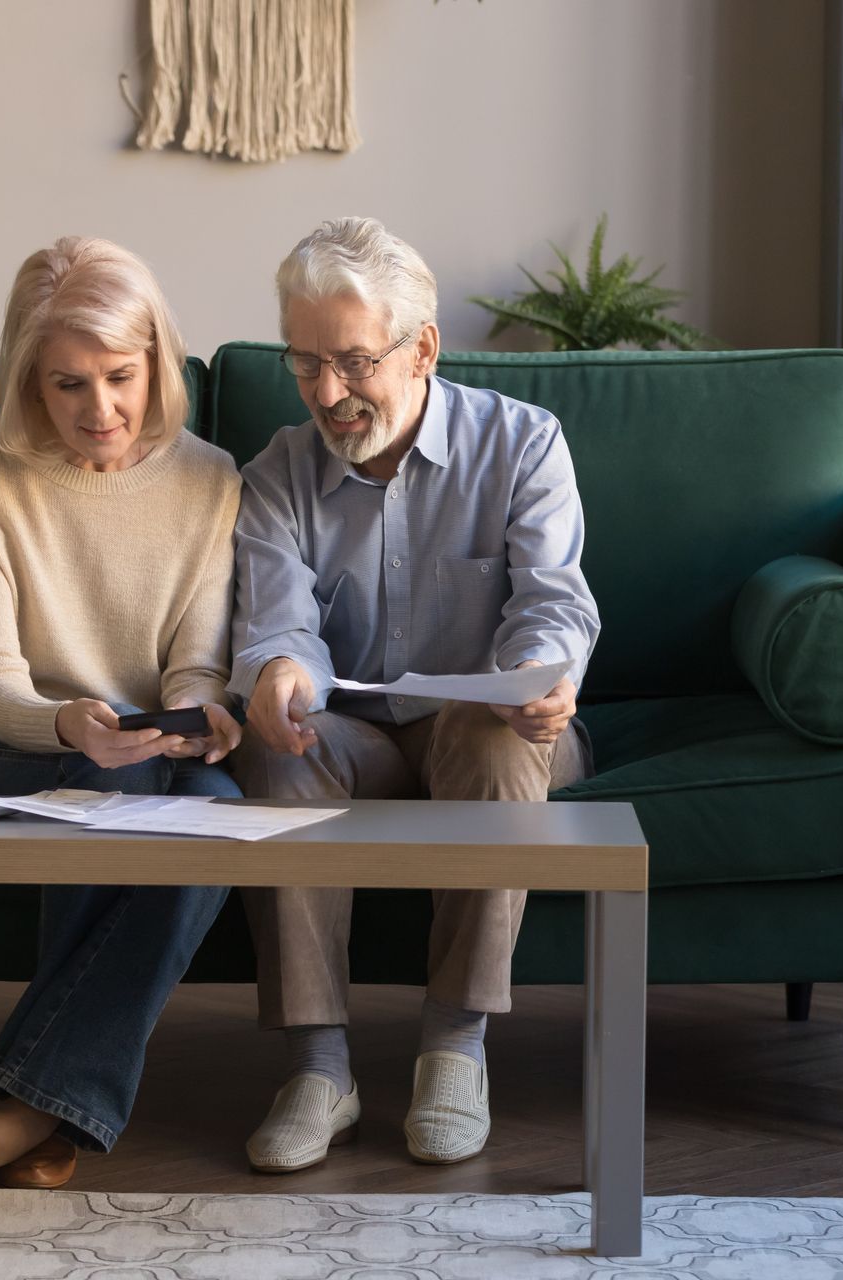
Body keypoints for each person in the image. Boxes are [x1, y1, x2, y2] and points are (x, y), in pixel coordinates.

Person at [228, 216, 600, 1173]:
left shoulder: (523, 444)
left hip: (491, 732)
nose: (327, 393)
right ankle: (320, 1070)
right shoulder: (276, 473)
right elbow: (280, 621)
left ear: (422, 348)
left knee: (493, 731)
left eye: (352, 362)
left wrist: (543, 680)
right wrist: (279, 676)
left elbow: (553, 606)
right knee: (274, 738)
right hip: (355, 736)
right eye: (304, 364)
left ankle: (455, 1048)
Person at [0, 236, 243, 1190]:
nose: (101, 410)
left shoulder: (212, 479)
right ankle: (42, 1109)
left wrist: (199, 713)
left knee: (217, 806)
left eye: (122, 378)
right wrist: (71, 726)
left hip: (135, 739)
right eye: (68, 386)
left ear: (158, 364)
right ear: (27, 379)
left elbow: (197, 661)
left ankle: (27, 1111)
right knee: (120, 770)